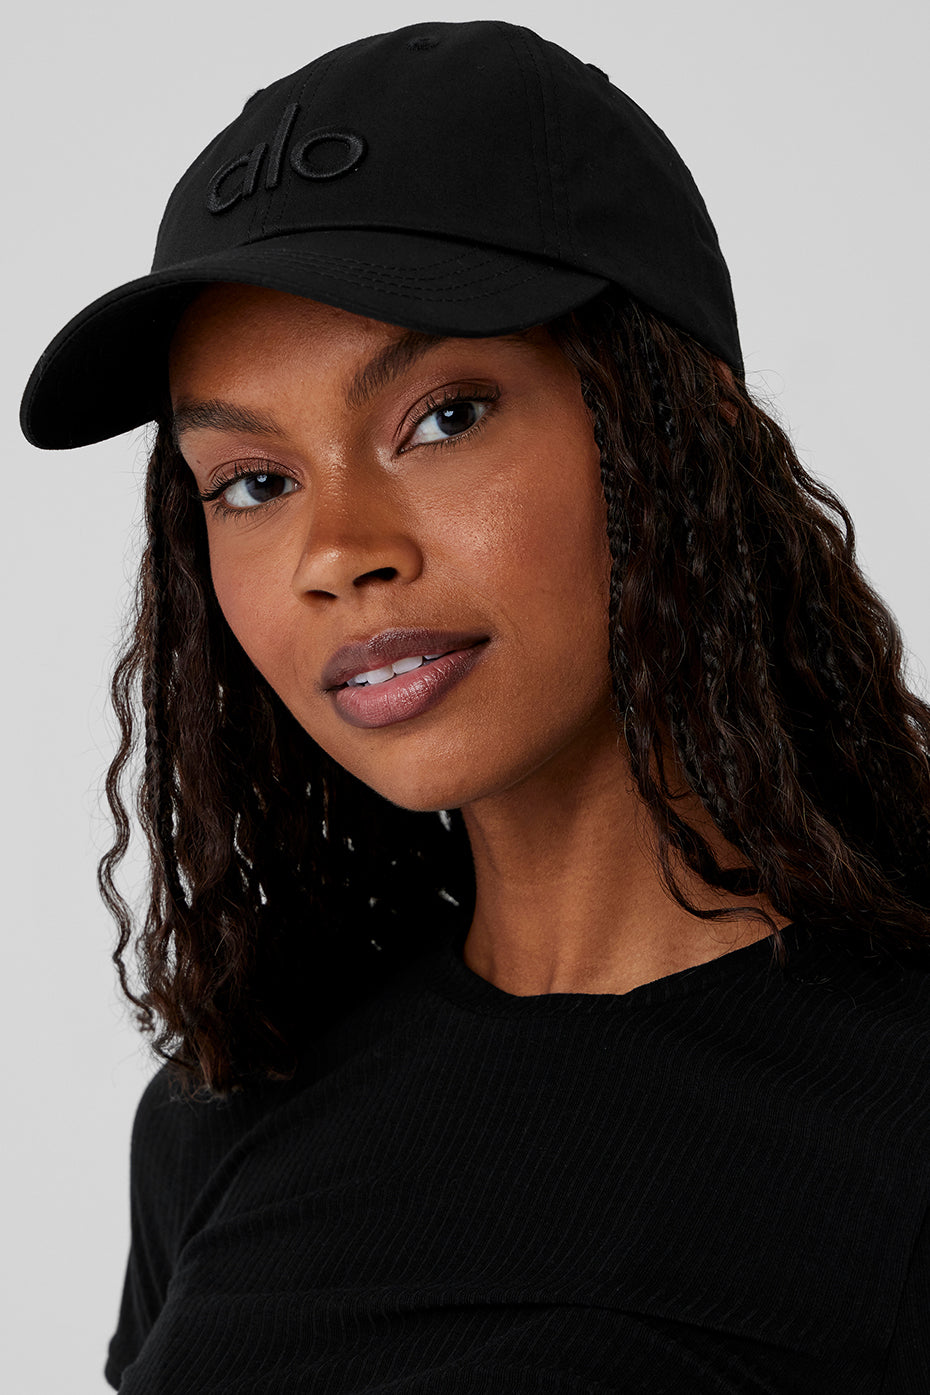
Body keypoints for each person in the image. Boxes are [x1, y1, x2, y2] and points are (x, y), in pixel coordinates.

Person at [20, 18, 930, 1395]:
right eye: (254, 482)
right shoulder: (223, 1114)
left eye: (443, 416)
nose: (340, 551)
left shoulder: (898, 1106)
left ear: (675, 424)